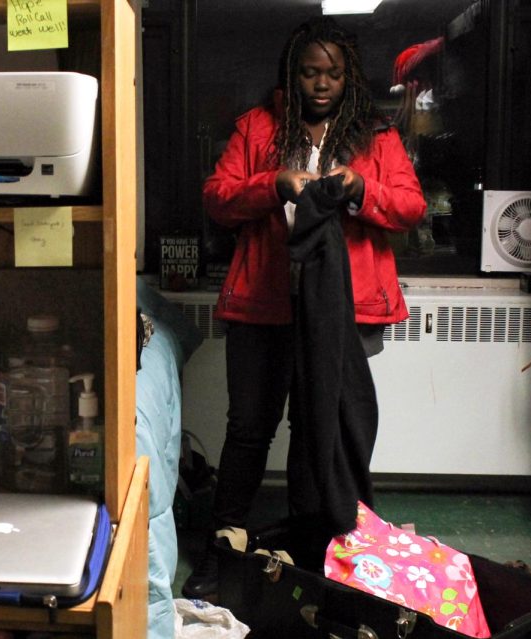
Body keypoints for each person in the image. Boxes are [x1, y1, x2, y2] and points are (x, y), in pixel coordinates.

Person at [182, 16, 426, 600]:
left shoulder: (376, 135)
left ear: (349, 78)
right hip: (263, 302)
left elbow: (411, 206)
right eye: (310, 72)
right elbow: (217, 197)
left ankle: (306, 547)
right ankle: (225, 543)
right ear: (292, 75)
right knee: (248, 427)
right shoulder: (258, 127)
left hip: (340, 308)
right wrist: (275, 185)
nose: (321, 83)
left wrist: (361, 189)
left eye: (333, 73)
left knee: (318, 427)